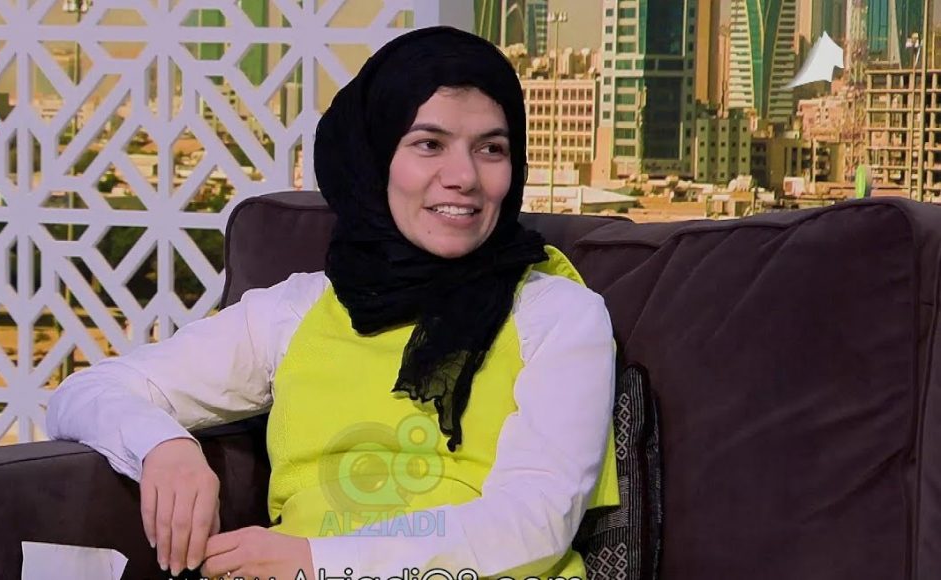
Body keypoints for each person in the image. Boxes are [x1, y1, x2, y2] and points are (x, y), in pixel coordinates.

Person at [46, 25, 618, 580]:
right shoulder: (297, 311)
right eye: (429, 144)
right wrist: (163, 446)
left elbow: (536, 521)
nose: (464, 176)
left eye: (491, 149)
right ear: (372, 158)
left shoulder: (556, 314)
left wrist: (319, 563)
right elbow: (85, 392)